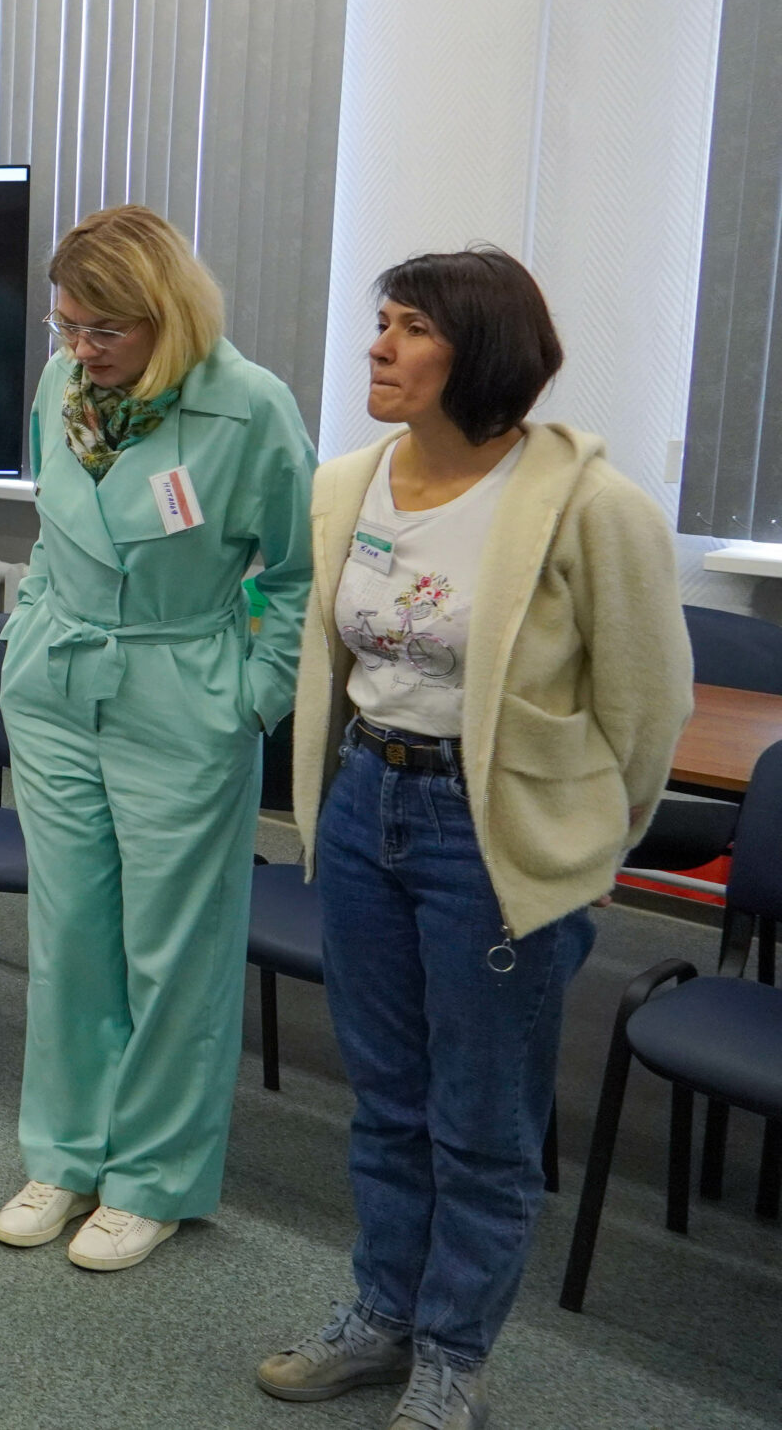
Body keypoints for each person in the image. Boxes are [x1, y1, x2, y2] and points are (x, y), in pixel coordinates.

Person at [256, 249, 689, 1430]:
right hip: (364, 803)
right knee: (386, 1097)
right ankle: (382, 1314)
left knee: (483, 1122)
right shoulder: (347, 484)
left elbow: (647, 707)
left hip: (491, 829)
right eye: (382, 323)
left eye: (409, 327)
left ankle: (452, 1352)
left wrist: (587, 849)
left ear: (480, 352)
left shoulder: (590, 507)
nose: (377, 346)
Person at [0, 203, 313, 1271]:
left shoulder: (248, 405)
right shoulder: (61, 387)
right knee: (71, 933)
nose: (81, 349)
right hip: (57, 684)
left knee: (173, 951)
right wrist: (29, 629)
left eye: (104, 330)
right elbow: (54, 531)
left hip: (181, 688)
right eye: (67, 325)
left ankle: (152, 1179)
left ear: (165, 315)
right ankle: (66, 1154)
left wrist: (250, 697)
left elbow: (297, 573)